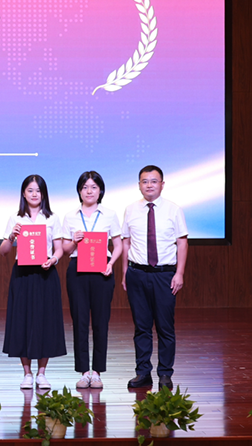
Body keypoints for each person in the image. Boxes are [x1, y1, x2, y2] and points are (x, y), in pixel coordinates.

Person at [122, 165, 188, 390]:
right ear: (139, 185)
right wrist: (125, 272)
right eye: (144, 181)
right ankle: (143, 372)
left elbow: (182, 242)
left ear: (162, 184)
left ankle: (165, 374)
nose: (149, 185)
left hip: (164, 275)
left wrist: (179, 273)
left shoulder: (173, 210)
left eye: (153, 181)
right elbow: (126, 242)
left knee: (165, 327)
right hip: (137, 274)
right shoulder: (131, 209)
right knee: (141, 327)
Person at [0, 174, 66, 390]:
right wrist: (11, 236)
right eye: (30, 190)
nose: (34, 194)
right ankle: (27, 373)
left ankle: (42, 373)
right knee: (22, 321)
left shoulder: (52, 218)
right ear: (23, 193)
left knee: (45, 321)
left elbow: (59, 249)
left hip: (46, 273)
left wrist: (53, 259)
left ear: (44, 194)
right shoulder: (16, 218)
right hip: (22, 275)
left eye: (38, 190)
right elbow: (3, 251)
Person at [61, 172, 123, 390]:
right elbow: (65, 249)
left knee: (100, 321)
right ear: (79, 191)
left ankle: (97, 372)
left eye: (94, 187)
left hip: (102, 270)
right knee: (79, 321)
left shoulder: (109, 214)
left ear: (100, 191)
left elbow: (118, 245)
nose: (89, 191)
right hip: (77, 269)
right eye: (85, 187)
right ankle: (83, 372)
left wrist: (111, 263)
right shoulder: (70, 216)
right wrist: (74, 242)